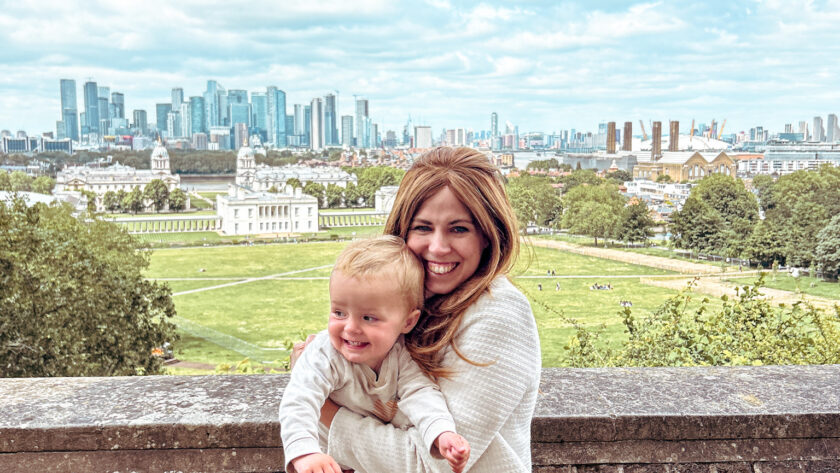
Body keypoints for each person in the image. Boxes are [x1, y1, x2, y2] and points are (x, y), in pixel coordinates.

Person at [291, 147, 541, 472]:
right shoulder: (412, 301)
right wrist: (322, 367)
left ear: (488, 236)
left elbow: (429, 465)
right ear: (401, 231)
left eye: (458, 229)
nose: (437, 247)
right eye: (422, 228)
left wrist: (325, 411)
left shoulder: (499, 314)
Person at [280, 236, 470, 473]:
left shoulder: (401, 354)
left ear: (408, 322)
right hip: (322, 458)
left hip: (364, 460)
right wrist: (305, 452)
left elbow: (421, 394)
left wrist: (441, 433)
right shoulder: (325, 353)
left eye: (368, 318)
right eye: (339, 312)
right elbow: (299, 399)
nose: (350, 328)